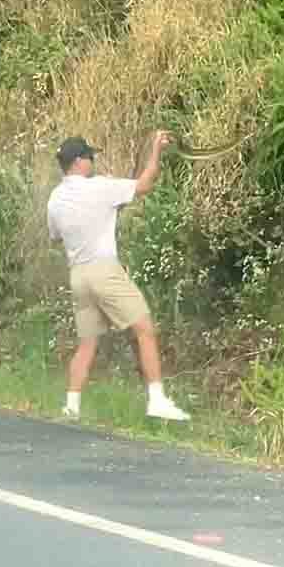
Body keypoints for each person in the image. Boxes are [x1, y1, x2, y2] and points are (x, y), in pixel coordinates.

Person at [46, 131, 191, 421]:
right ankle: (157, 400)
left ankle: (71, 406)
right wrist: (155, 150)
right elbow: (144, 184)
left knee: (87, 343)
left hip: (79, 277)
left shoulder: (55, 198)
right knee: (144, 329)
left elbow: (55, 237)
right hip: (104, 272)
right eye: (90, 157)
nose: (92, 161)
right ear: (79, 161)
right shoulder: (100, 187)